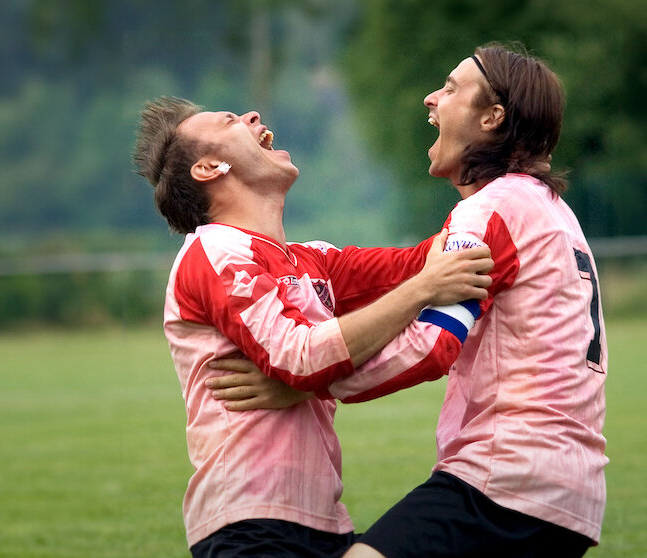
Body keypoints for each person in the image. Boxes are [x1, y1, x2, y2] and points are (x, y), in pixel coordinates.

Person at [212, 43, 608, 557]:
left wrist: (308, 385)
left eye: (451, 88)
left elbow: (433, 343)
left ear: (492, 117)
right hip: (572, 491)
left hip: (507, 478)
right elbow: (408, 273)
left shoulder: (492, 209)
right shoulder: (553, 210)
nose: (431, 98)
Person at [132, 96, 494, 557]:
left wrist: (493, 182)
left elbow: (425, 261)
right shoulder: (214, 251)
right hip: (249, 527)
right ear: (208, 168)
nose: (252, 116)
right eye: (230, 120)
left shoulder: (312, 260)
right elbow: (297, 359)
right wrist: (423, 289)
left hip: (324, 522)